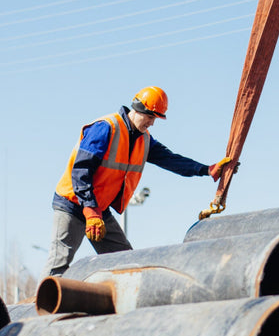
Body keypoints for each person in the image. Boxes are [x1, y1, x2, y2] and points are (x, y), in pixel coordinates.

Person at [41, 86, 233, 278]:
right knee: (59, 263)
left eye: (155, 119)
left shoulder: (144, 140)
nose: (152, 123)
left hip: (99, 208)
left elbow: (171, 159)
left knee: (125, 262)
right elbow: (81, 170)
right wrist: (89, 209)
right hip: (72, 203)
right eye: (150, 117)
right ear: (138, 109)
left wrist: (206, 170)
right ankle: (42, 305)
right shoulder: (105, 128)